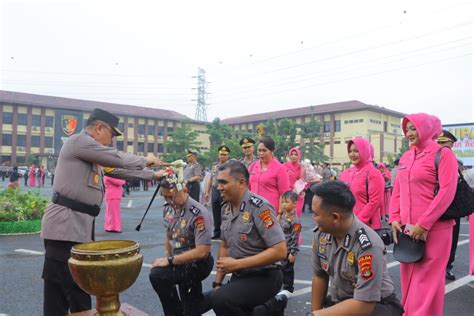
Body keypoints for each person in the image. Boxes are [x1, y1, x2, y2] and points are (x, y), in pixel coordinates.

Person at [40, 108, 165, 315]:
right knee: (66, 287)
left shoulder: (91, 154)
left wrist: (154, 174)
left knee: (72, 286)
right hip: (64, 226)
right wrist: (145, 159)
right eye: (111, 135)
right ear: (99, 128)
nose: (111, 141)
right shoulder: (80, 142)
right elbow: (116, 158)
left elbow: (117, 170)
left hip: (76, 226)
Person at [389, 113, 458, 316]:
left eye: (414, 128)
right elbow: (397, 190)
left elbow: (447, 192)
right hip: (407, 230)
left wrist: (425, 224)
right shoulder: (406, 156)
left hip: (435, 231)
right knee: (409, 280)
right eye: (407, 129)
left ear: (426, 129)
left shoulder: (443, 154)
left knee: (426, 284)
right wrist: (394, 218)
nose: (409, 133)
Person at [309, 181, 403, 316]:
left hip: (376, 305)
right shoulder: (322, 234)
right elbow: (319, 276)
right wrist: (315, 312)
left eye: (316, 214)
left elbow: (364, 305)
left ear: (335, 217)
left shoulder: (368, 245)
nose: (313, 218)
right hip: (342, 301)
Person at [208, 160, 288, 315]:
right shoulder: (226, 209)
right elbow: (224, 246)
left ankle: (271, 306)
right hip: (241, 276)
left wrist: (237, 265)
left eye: (223, 182)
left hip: (265, 276)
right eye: (218, 182)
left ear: (241, 182)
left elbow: (280, 251)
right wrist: (217, 282)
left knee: (220, 299)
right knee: (219, 298)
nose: (219, 187)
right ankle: (271, 307)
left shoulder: (259, 207)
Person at [149, 175, 213, 316]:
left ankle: (174, 313)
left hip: (197, 263)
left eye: (171, 197)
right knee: (193, 308)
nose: (168, 201)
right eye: (164, 197)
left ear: (185, 190)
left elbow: (202, 252)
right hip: (179, 260)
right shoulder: (168, 209)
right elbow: (169, 234)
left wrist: (170, 261)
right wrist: (168, 257)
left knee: (157, 276)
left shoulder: (199, 213)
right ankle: (219, 295)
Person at [338, 138, 385, 230]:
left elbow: (375, 202)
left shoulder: (373, 173)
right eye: (350, 151)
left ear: (365, 151)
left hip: (366, 227)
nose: (352, 154)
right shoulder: (346, 173)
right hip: (345, 224)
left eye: (356, 151)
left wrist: (356, 222)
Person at [437, 129, 463, 280]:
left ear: (451, 144)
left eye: (444, 143)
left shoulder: (455, 161)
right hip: (432, 204)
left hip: (451, 206)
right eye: (439, 143)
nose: (441, 146)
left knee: (451, 238)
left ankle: (447, 266)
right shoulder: (430, 158)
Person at [248, 136, 290, 213]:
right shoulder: (252, 166)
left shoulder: (280, 169)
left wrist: (280, 214)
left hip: (270, 211)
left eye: (264, 150)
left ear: (271, 151)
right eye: (259, 150)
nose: (261, 153)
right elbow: (247, 188)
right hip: (252, 210)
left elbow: (284, 194)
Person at [276, 191, 301, 296]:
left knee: (287, 269)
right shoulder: (283, 216)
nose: (283, 204)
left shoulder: (295, 220)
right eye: (282, 202)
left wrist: (293, 252)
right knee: (280, 268)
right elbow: (276, 226)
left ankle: (288, 288)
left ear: (294, 204)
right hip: (281, 247)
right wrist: (280, 213)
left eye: (286, 202)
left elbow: (295, 237)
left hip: (289, 248)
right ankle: (280, 286)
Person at [204, 145, 230, 239]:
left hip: (225, 190)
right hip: (215, 190)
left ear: (228, 156)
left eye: (225, 154)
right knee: (215, 211)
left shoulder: (230, 166)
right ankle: (217, 232)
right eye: (221, 154)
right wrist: (207, 192)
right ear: (218, 155)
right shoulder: (214, 166)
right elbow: (211, 179)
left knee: (226, 212)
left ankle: (225, 232)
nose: (222, 156)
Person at [283, 147, 305, 217]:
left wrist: (304, 189)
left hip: (298, 195)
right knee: (287, 217)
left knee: (296, 216)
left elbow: (305, 180)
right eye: (292, 154)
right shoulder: (284, 166)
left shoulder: (302, 167)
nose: (293, 156)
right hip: (287, 195)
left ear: (299, 156)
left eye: (295, 154)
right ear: (289, 155)